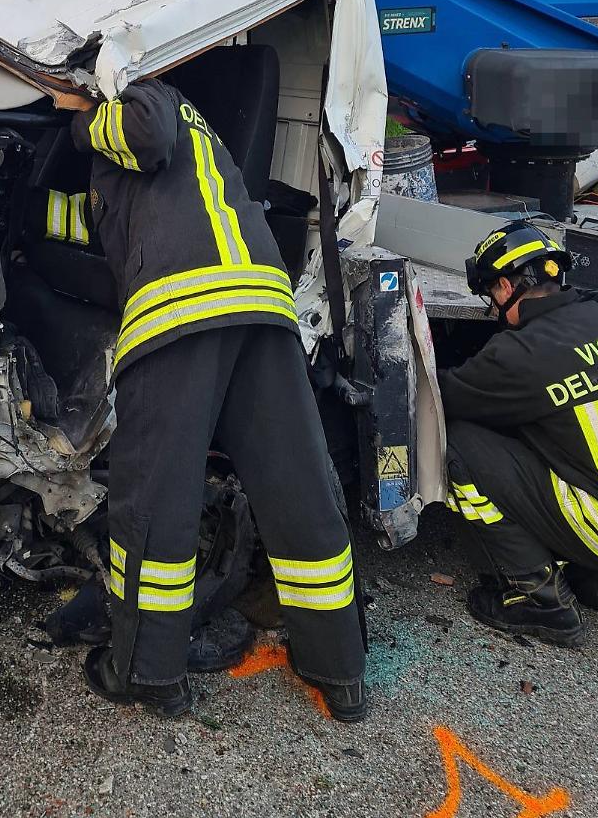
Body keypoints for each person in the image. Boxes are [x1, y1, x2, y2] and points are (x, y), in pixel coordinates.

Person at [50, 78, 367, 721]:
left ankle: (147, 672)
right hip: (260, 296)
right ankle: (340, 669)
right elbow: (94, 217)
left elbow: (143, 132)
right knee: (296, 483)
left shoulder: (139, 97)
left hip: (184, 301)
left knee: (157, 494)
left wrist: (80, 119)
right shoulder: (198, 128)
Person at [439, 220, 598, 647]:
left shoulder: (521, 352)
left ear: (506, 286)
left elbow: (440, 399)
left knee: (458, 443)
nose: (493, 309)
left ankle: (539, 599)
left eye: (490, 294)